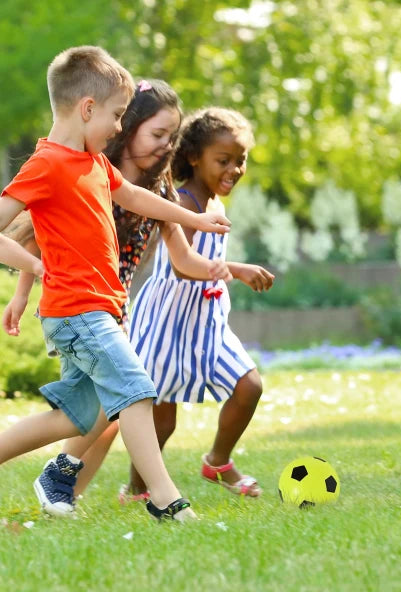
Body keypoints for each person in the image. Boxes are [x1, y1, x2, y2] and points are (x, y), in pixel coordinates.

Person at [0, 45, 231, 523]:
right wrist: (32, 268)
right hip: (77, 312)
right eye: (116, 114)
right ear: (87, 108)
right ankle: (167, 501)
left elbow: (135, 197)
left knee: (74, 419)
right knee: (136, 391)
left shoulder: (94, 163)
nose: (119, 126)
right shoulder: (47, 165)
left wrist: (195, 220)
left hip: (98, 310)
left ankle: (59, 476)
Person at [126, 107, 273, 499]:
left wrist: (228, 273)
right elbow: (181, 267)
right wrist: (236, 269)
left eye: (240, 161)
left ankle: (218, 462)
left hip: (206, 322)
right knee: (162, 420)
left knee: (249, 386)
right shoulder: (185, 203)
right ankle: (138, 488)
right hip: (167, 320)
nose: (234, 169)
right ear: (194, 157)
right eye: (223, 160)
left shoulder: (215, 206)